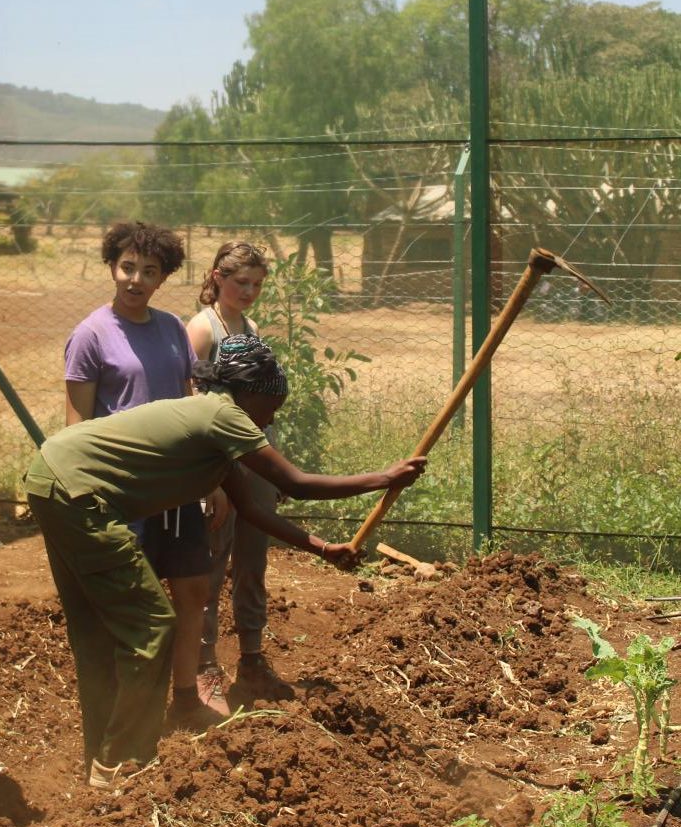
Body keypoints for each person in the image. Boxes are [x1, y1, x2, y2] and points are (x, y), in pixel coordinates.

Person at [27, 333, 425, 788]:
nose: (271, 420)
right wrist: (384, 477)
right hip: (79, 495)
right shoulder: (224, 414)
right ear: (252, 393)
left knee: (101, 631)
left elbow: (253, 510)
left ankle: (102, 760)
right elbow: (294, 483)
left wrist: (321, 547)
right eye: (272, 408)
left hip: (52, 479)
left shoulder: (211, 423)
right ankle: (122, 760)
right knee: (155, 624)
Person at [64, 220, 222, 733]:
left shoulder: (173, 328)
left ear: (162, 278)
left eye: (148, 271)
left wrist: (210, 477)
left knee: (193, 589)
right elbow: (75, 427)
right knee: (139, 604)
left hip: (176, 488)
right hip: (125, 491)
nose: (135, 279)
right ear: (112, 266)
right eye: (127, 267)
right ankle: (133, 716)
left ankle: (184, 698)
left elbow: (190, 402)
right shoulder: (91, 335)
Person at [187, 241, 288, 710]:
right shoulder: (201, 329)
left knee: (253, 559)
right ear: (217, 277)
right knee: (211, 562)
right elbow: (194, 408)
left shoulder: (252, 327)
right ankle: (203, 665)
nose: (248, 291)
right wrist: (212, 482)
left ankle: (251, 656)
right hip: (217, 467)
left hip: (252, 457)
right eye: (240, 282)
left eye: (257, 284)